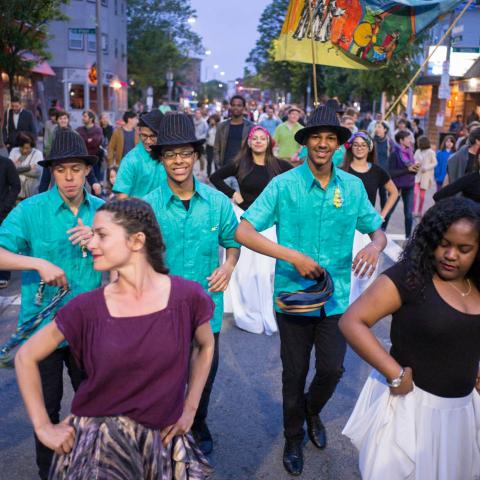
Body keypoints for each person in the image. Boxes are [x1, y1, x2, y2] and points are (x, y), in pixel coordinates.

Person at [15, 198, 214, 479]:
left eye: (102, 235)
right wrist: (43, 426)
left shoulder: (187, 298)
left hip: (163, 444)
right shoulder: (85, 309)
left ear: (136, 241)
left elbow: (205, 346)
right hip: (101, 453)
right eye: (93, 235)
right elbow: (25, 357)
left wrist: (190, 408)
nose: (91, 244)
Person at [235, 106, 386, 476]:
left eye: (330, 138)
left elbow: (377, 229)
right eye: (315, 136)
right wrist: (291, 255)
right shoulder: (284, 185)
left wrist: (373, 246)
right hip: (294, 298)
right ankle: (292, 435)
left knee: (332, 369)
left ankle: (311, 411)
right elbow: (244, 231)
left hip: (335, 300)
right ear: (305, 143)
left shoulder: (351, 187)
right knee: (293, 372)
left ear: (338, 145)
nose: (322, 143)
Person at [340, 198, 480, 480]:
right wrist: (393, 372)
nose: (451, 255)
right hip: (412, 412)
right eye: (444, 244)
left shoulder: (476, 284)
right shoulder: (411, 278)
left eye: (464, 249)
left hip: (462, 412)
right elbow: (353, 321)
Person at [0, 128, 103, 479]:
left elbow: (133, 261)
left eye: (76, 168)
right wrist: (36, 263)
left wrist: (100, 241)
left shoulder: (103, 213)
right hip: (41, 329)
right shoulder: (30, 210)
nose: (70, 177)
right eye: (61, 170)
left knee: (93, 407)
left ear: (88, 169)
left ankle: (88, 466)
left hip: (89, 330)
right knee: (45, 410)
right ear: (52, 172)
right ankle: (50, 472)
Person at [144, 112, 240, 456]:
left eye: (185, 153)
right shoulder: (149, 206)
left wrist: (228, 266)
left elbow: (233, 242)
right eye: (171, 154)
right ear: (161, 159)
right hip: (159, 309)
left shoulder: (216, 202)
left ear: (195, 156)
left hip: (206, 309)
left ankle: (198, 423)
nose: (179, 161)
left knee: (205, 374)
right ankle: (167, 429)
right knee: (165, 377)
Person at [210, 125, 292, 335]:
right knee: (245, 270)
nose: (257, 141)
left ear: (268, 142)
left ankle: (267, 310)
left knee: (266, 271)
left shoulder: (279, 165)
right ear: (248, 142)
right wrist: (232, 194)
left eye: (262, 138)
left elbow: (298, 179)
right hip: (245, 222)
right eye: (254, 138)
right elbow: (215, 177)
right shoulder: (240, 164)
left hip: (269, 223)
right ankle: (248, 312)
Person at [341, 131, 398, 301]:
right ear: (351, 147)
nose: (359, 148)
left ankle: (360, 306)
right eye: (356, 145)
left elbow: (394, 193)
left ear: (369, 148)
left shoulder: (377, 171)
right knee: (347, 269)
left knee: (365, 271)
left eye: (363, 145)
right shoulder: (341, 170)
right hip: (345, 226)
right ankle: (345, 308)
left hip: (368, 228)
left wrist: (382, 215)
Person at [113, 110, 165, 199]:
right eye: (144, 136)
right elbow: (122, 197)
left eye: (153, 136)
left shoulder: (169, 156)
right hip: (139, 212)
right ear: (139, 132)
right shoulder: (130, 160)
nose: (148, 141)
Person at [382, 130, 419, 238]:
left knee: (408, 214)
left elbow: (412, 170)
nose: (410, 140)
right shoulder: (395, 154)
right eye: (407, 138)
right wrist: (408, 169)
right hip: (396, 187)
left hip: (409, 185)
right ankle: (381, 230)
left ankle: (408, 237)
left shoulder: (411, 152)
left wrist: (415, 169)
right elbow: (391, 173)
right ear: (401, 141)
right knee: (389, 211)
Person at [214, 95, 254, 168]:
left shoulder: (251, 127)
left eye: (239, 105)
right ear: (230, 107)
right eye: (233, 105)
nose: (236, 107)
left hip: (243, 168)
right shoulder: (221, 126)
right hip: (225, 167)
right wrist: (218, 165)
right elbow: (216, 148)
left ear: (244, 108)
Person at [0, 154, 21, 288]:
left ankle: (3, 274)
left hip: (2, 210)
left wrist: (6, 205)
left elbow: (15, 186)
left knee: (2, 242)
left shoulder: (6, 163)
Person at [9, 132, 43, 200]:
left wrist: (17, 170)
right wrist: (29, 167)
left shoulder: (37, 154)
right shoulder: (14, 151)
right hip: (17, 193)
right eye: (22, 148)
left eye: (27, 148)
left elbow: (37, 173)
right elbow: (9, 170)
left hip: (31, 192)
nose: (25, 150)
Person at [413, 135, 437, 217]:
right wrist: (416, 164)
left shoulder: (431, 152)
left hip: (425, 177)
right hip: (417, 175)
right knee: (415, 194)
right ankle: (413, 211)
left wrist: (426, 168)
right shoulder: (418, 151)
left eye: (419, 142)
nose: (418, 143)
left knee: (422, 196)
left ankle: (419, 211)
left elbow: (435, 163)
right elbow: (414, 159)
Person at [373, 121, 394, 209]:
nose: (377, 129)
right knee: (371, 195)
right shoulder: (372, 140)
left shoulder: (389, 142)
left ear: (385, 130)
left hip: (384, 173)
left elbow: (393, 157)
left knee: (383, 196)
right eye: (376, 127)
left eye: (379, 127)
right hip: (373, 172)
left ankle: (383, 217)